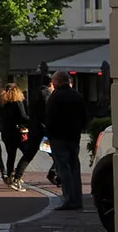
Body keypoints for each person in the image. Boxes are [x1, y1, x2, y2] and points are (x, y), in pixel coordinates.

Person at [45, 70, 87, 210]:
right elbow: (84, 116)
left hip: (59, 137)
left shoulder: (55, 96)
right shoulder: (76, 95)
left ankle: (69, 199)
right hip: (73, 137)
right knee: (74, 167)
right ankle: (77, 199)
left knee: (64, 168)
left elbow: (49, 117)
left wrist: (49, 133)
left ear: (57, 81)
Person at [10, 76, 56, 191]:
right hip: (43, 130)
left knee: (29, 154)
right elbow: (48, 112)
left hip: (35, 128)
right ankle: (54, 174)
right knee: (56, 154)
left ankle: (17, 177)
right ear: (51, 84)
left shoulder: (36, 92)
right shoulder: (46, 94)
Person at [0, 83, 29, 186]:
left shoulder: (2, 103)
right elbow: (23, 117)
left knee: (11, 155)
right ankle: (18, 173)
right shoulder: (17, 102)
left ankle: (9, 176)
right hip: (17, 132)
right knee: (27, 152)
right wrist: (31, 121)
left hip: (6, 132)